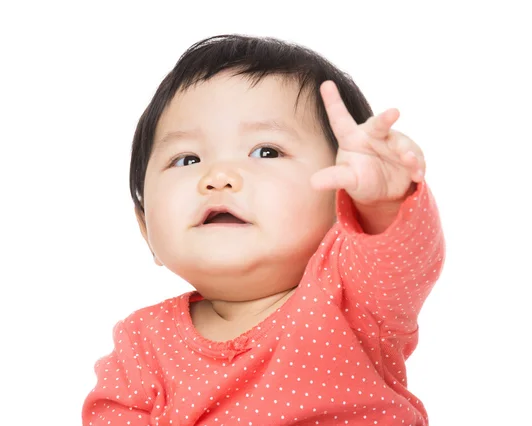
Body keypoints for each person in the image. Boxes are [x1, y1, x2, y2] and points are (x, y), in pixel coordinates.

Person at [82, 34, 445, 426]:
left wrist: (383, 202)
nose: (218, 177)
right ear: (144, 228)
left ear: (344, 203)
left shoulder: (353, 296)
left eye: (266, 152)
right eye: (186, 159)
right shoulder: (143, 344)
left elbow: (402, 256)